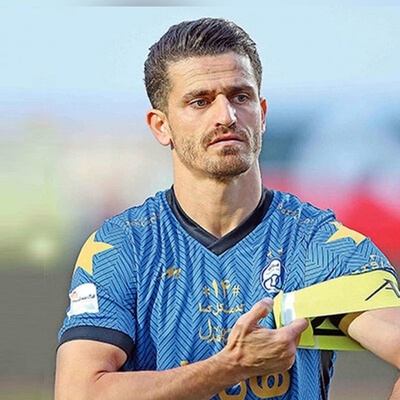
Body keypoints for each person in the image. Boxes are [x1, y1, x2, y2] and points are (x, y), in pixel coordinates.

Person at [55, 17, 400, 400]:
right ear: (161, 126)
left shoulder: (320, 245)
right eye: (200, 101)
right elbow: (78, 393)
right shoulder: (122, 247)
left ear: (262, 113)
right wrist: (230, 367)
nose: (226, 116)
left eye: (240, 97)